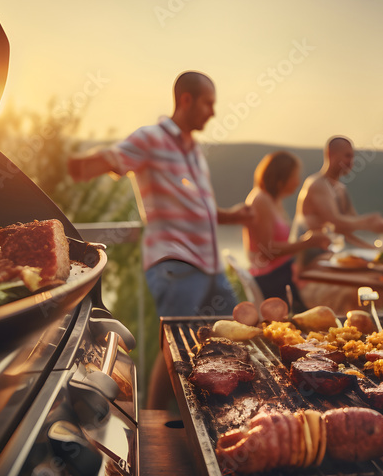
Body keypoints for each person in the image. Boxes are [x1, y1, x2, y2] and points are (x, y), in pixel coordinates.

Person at [67, 71, 254, 410]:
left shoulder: (194, 150)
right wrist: (73, 162)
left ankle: (222, 410)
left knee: (233, 340)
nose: (213, 112)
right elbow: (105, 162)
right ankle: (153, 424)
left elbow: (200, 209)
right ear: (186, 100)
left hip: (210, 266)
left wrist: (232, 215)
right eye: (208, 103)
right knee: (176, 347)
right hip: (176, 262)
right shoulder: (151, 138)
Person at [243, 151, 330, 309]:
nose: (297, 182)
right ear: (281, 177)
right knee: (328, 295)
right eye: (294, 176)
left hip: (281, 271)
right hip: (271, 278)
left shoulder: (272, 200)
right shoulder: (261, 200)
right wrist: (306, 243)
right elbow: (267, 250)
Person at [292, 135, 383, 268]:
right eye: (347, 156)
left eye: (352, 157)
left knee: (375, 269)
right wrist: (368, 222)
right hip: (308, 262)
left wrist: (376, 250)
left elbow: (349, 229)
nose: (351, 161)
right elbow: (336, 223)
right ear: (330, 154)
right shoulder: (316, 184)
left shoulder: (341, 189)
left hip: (328, 256)